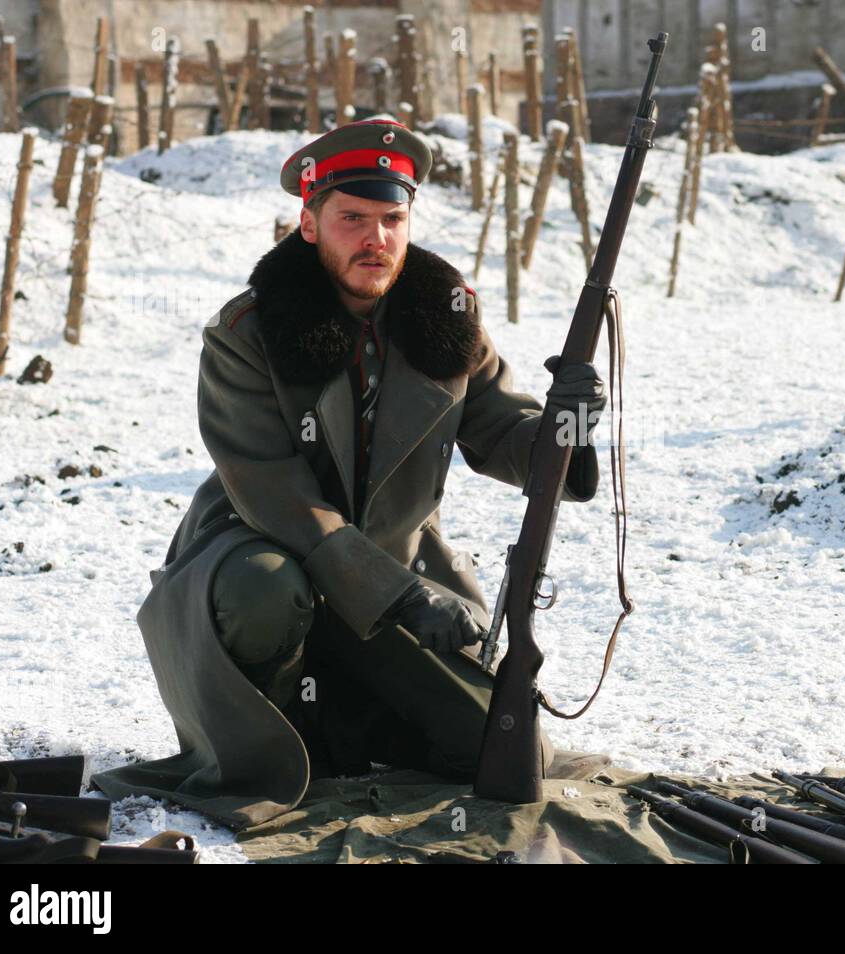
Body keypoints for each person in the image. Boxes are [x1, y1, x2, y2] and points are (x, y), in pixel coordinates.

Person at [92, 118, 606, 828]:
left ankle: (354, 725)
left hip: (398, 572)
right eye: (352, 219)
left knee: (498, 751)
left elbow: (503, 435)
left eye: (392, 219)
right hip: (260, 554)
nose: (377, 239)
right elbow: (277, 492)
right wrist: (398, 597)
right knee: (268, 590)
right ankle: (277, 742)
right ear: (309, 223)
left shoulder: (446, 321)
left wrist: (565, 427)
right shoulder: (248, 332)